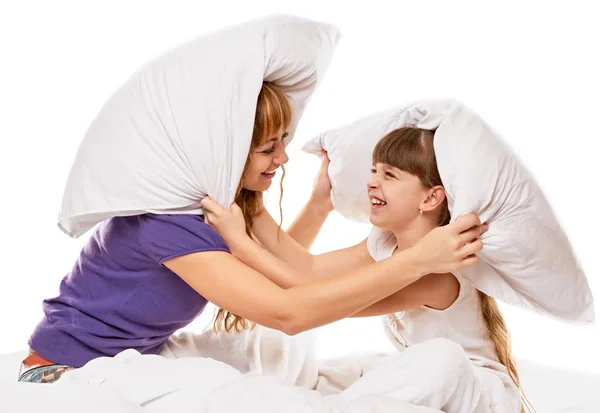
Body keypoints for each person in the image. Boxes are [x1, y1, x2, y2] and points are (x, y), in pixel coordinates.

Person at [19, 84, 485, 384]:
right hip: (64, 371)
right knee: (278, 347)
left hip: (121, 357)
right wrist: (417, 260)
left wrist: (314, 205)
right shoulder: (171, 227)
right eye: (268, 147)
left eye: (283, 142)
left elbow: (298, 273)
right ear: (225, 154)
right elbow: (291, 306)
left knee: (280, 352)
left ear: (432, 198)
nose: (282, 158)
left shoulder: (211, 211)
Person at [201, 126, 532, 413]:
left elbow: (317, 299)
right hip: (424, 372)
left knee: (441, 358)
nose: (372, 183)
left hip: (475, 395)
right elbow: (311, 270)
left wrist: (241, 243)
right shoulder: (385, 242)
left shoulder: (437, 270)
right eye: (374, 171)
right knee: (354, 367)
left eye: (389, 175)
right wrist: (253, 202)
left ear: (430, 199)